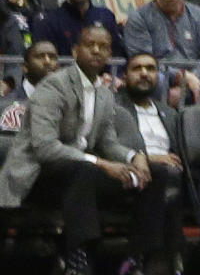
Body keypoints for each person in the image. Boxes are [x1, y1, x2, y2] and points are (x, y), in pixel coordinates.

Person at [0, 24, 166, 275]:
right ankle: (79, 257)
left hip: (78, 176)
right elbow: (45, 147)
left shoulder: (105, 93)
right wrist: (100, 164)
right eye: (91, 45)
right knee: (84, 170)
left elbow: (108, 143)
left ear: (111, 54)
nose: (97, 51)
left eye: (104, 47)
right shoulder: (53, 86)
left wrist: (136, 157)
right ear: (76, 50)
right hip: (38, 176)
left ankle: (138, 258)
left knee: (156, 173)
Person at [114, 52, 185, 273]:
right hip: (130, 173)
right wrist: (150, 157)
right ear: (124, 77)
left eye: (150, 69)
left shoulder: (169, 113)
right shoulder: (115, 108)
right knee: (161, 175)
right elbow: (109, 145)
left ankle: (148, 259)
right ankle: (161, 257)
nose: (144, 73)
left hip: (171, 175)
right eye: (137, 69)